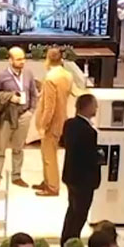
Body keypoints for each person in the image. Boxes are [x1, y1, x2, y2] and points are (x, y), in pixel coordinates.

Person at [0, 46, 36, 188]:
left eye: (23, 58)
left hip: (24, 115)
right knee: (0, 149)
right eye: (19, 59)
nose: (22, 61)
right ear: (10, 60)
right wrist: (9, 97)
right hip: (6, 117)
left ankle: (17, 176)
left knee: (18, 149)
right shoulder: (0, 76)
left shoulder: (28, 74)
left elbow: (33, 93)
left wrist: (31, 111)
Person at [60, 93, 101, 246]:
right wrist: (99, 155)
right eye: (94, 105)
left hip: (71, 176)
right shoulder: (89, 132)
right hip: (84, 180)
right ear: (87, 107)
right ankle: (72, 245)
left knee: (72, 212)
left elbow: (64, 143)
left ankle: (66, 243)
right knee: (79, 215)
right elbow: (89, 157)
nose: (96, 108)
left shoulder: (69, 124)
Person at [34, 48, 73, 196]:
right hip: (62, 118)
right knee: (48, 153)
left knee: (49, 156)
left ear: (48, 59)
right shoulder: (67, 75)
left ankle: (52, 186)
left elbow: (49, 106)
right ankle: (47, 181)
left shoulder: (51, 78)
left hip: (51, 122)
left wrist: (43, 125)